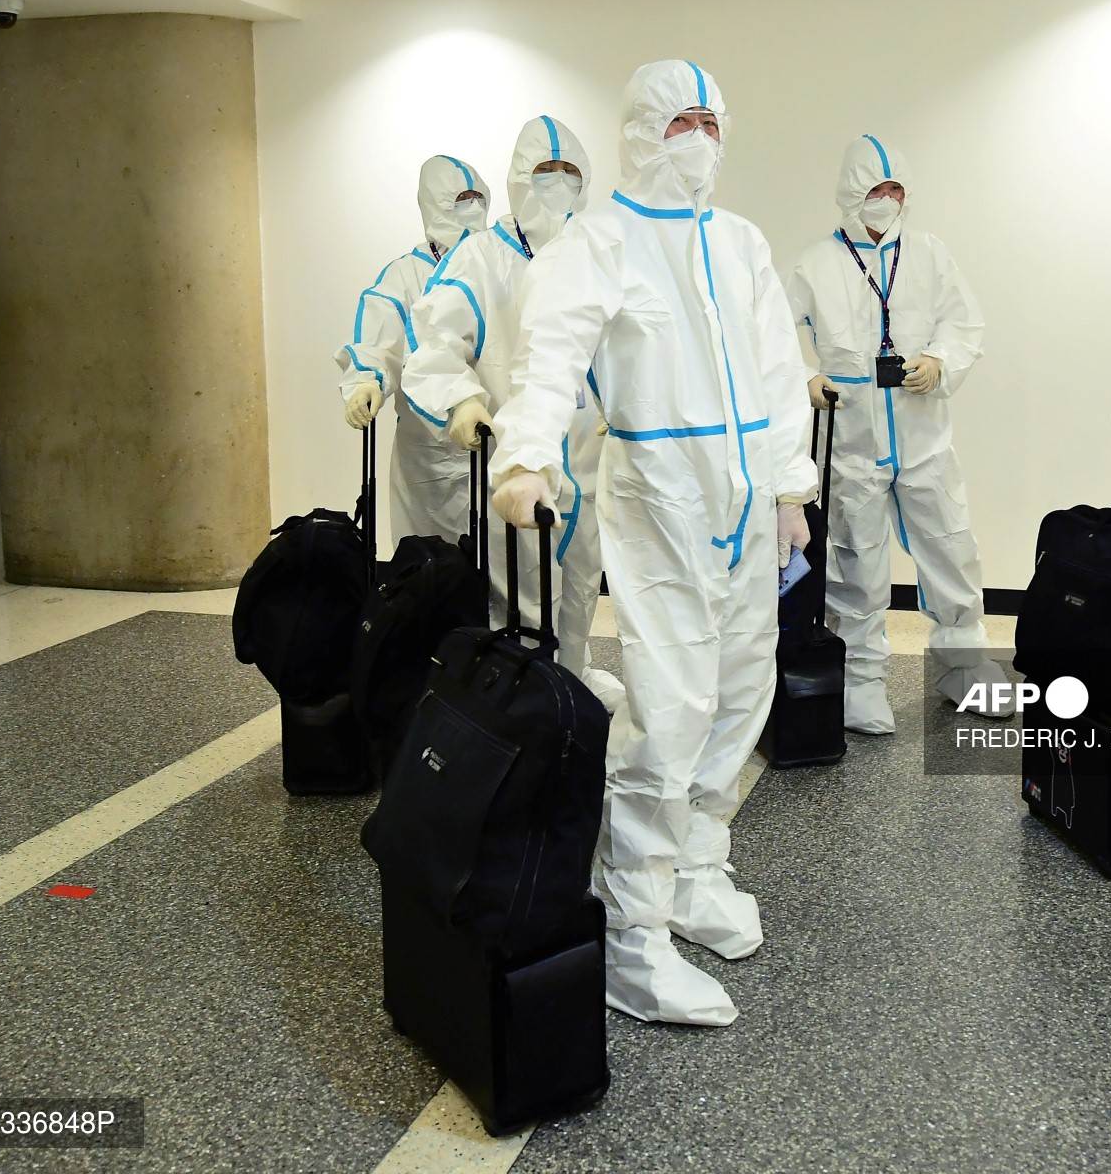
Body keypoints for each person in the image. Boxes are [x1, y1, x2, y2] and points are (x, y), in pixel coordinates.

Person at [488, 60, 817, 1027]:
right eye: (682, 120)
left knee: (741, 690)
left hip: (748, 500)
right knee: (669, 712)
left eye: (713, 120)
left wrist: (791, 487)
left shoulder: (742, 242)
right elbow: (549, 358)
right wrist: (527, 455)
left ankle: (698, 870)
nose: (701, 138)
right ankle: (633, 936)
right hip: (659, 495)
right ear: (641, 132)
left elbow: (775, 371)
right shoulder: (597, 243)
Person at [784, 135, 1011, 735]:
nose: (885, 201)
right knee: (856, 564)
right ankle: (860, 681)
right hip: (852, 444)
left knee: (952, 550)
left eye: (894, 191)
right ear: (849, 195)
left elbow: (965, 322)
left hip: (924, 437)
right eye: (873, 191)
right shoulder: (816, 264)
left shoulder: (930, 254)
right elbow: (773, 336)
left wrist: (939, 360)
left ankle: (964, 667)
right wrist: (805, 376)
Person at [400, 117, 622, 710]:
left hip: (597, 454)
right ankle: (524, 701)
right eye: (541, 172)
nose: (555, 184)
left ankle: (568, 688)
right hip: (521, 458)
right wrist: (463, 399)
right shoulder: (480, 257)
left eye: (568, 172)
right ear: (518, 179)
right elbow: (432, 348)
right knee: (518, 589)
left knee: (580, 583)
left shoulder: (603, 247)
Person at [336, 155, 490, 546]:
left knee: (501, 564)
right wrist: (366, 382)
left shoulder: (497, 263)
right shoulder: (405, 274)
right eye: (458, 199)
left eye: (477, 198)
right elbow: (378, 341)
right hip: (427, 449)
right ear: (432, 204)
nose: (471, 208)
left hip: (491, 432)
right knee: (426, 563)